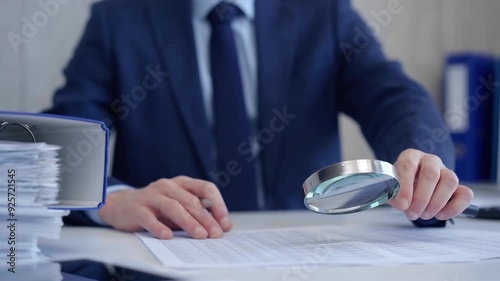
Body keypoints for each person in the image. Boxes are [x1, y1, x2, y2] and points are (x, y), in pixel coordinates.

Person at [46, 0, 474, 239]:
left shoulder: (323, 12)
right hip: (168, 249)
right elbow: (65, 135)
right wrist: (111, 198)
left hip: (306, 248)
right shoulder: (120, 16)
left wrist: (421, 161)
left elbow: (391, 95)